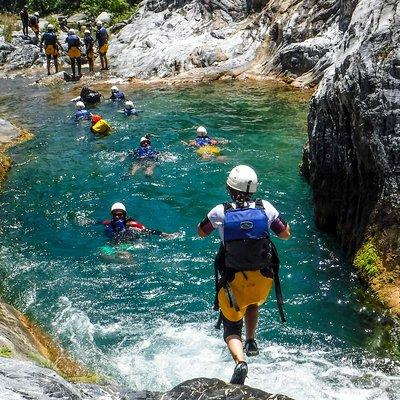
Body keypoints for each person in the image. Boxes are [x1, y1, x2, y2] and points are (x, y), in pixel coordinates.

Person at [197, 165, 291, 385]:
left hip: (233, 280)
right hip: (262, 279)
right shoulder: (265, 207)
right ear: (253, 189)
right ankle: (251, 340)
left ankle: (240, 362)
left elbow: (201, 232)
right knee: (253, 302)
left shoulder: (220, 211)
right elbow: (285, 234)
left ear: (230, 188)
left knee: (230, 328)